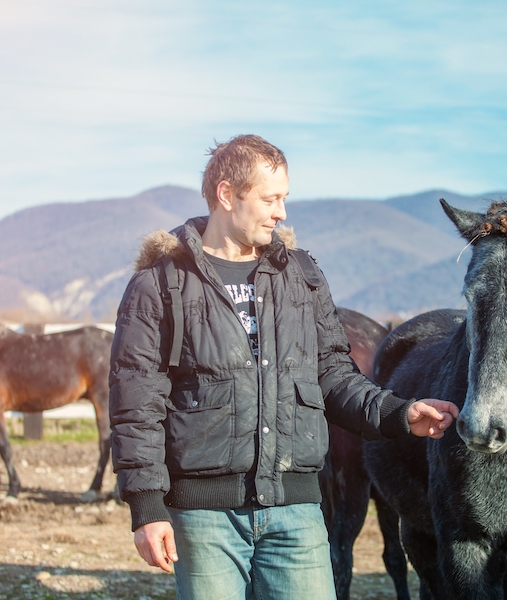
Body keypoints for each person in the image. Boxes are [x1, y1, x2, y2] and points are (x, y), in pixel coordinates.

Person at [109, 134, 459, 599]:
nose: (282, 213)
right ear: (227, 195)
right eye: (271, 199)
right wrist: (147, 507)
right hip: (204, 519)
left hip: (296, 513)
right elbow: (136, 404)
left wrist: (399, 413)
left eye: (285, 199)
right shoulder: (160, 284)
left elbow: (334, 376)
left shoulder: (302, 276)